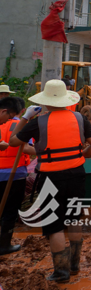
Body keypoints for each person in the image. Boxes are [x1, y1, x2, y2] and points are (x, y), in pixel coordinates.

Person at [9, 79, 91, 282]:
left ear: (46, 101)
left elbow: (13, 141)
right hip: (76, 174)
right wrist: (80, 156)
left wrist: (25, 118)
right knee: (73, 220)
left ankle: (61, 273)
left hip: (51, 178)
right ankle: (75, 265)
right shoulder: (79, 118)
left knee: (55, 225)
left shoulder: (38, 122)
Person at [0, 97, 35, 255]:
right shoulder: (20, 126)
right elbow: (28, 149)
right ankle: (4, 245)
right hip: (15, 174)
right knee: (10, 211)